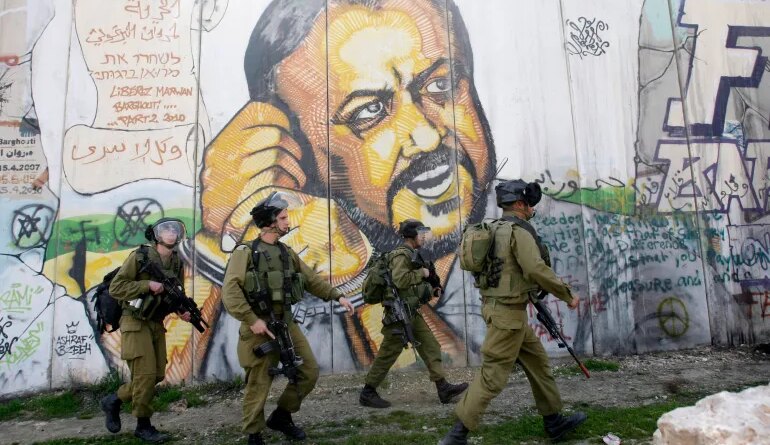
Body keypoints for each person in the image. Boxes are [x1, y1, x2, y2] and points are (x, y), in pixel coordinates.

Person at [186, 0, 497, 374]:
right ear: (295, 151)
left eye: (440, 85)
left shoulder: (528, 234)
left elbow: (452, 368)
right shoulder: (290, 265)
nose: (427, 136)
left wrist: (358, 283)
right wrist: (214, 242)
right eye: (369, 111)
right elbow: (158, 374)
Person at [440, 180, 587, 444]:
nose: (532, 208)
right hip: (507, 318)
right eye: (529, 203)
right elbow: (535, 268)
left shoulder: (494, 228)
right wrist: (566, 294)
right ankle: (456, 435)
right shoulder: (519, 232)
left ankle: (554, 421)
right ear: (519, 204)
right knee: (493, 375)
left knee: (538, 364)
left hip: (506, 314)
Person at [221, 191, 355, 445]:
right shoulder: (246, 252)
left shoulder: (286, 252)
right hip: (258, 326)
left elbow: (310, 279)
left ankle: (282, 416)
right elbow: (230, 290)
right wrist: (251, 319)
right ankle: (253, 432)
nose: (287, 221)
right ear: (269, 222)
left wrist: (337, 296)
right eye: (282, 217)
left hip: (285, 322)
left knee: (308, 371)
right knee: (259, 380)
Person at [100, 218, 192, 443]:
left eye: (174, 229)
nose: (171, 233)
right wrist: (146, 285)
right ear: (156, 235)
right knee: (145, 375)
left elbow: (174, 294)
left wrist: (181, 310)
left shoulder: (176, 262)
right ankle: (143, 426)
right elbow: (117, 287)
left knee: (157, 374)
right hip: (134, 322)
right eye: (166, 229)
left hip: (155, 323)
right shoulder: (140, 257)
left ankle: (114, 400)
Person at [359, 219, 468, 408]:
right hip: (399, 314)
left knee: (430, 345)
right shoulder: (401, 254)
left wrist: (429, 288)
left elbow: (409, 287)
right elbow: (400, 280)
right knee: (388, 353)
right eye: (421, 234)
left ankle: (443, 388)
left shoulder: (411, 254)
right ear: (412, 235)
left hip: (411, 312)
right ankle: (368, 392)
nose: (424, 237)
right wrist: (422, 274)